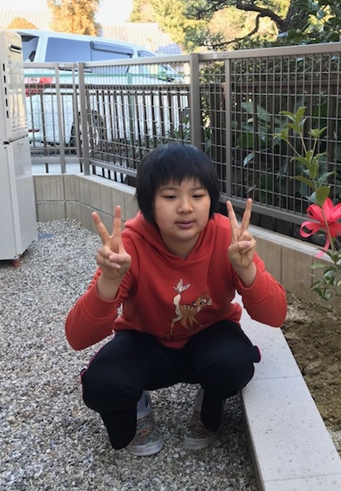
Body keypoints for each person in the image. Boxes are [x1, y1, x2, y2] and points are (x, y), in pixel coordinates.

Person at [65, 143, 287, 456]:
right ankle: (137, 404)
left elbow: (276, 316)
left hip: (208, 339)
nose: (185, 207)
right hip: (145, 343)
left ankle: (208, 404)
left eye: (197, 195)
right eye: (170, 196)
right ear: (149, 202)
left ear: (211, 199)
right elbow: (77, 337)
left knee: (235, 361)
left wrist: (247, 269)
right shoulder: (129, 245)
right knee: (102, 382)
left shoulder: (227, 237)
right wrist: (109, 283)